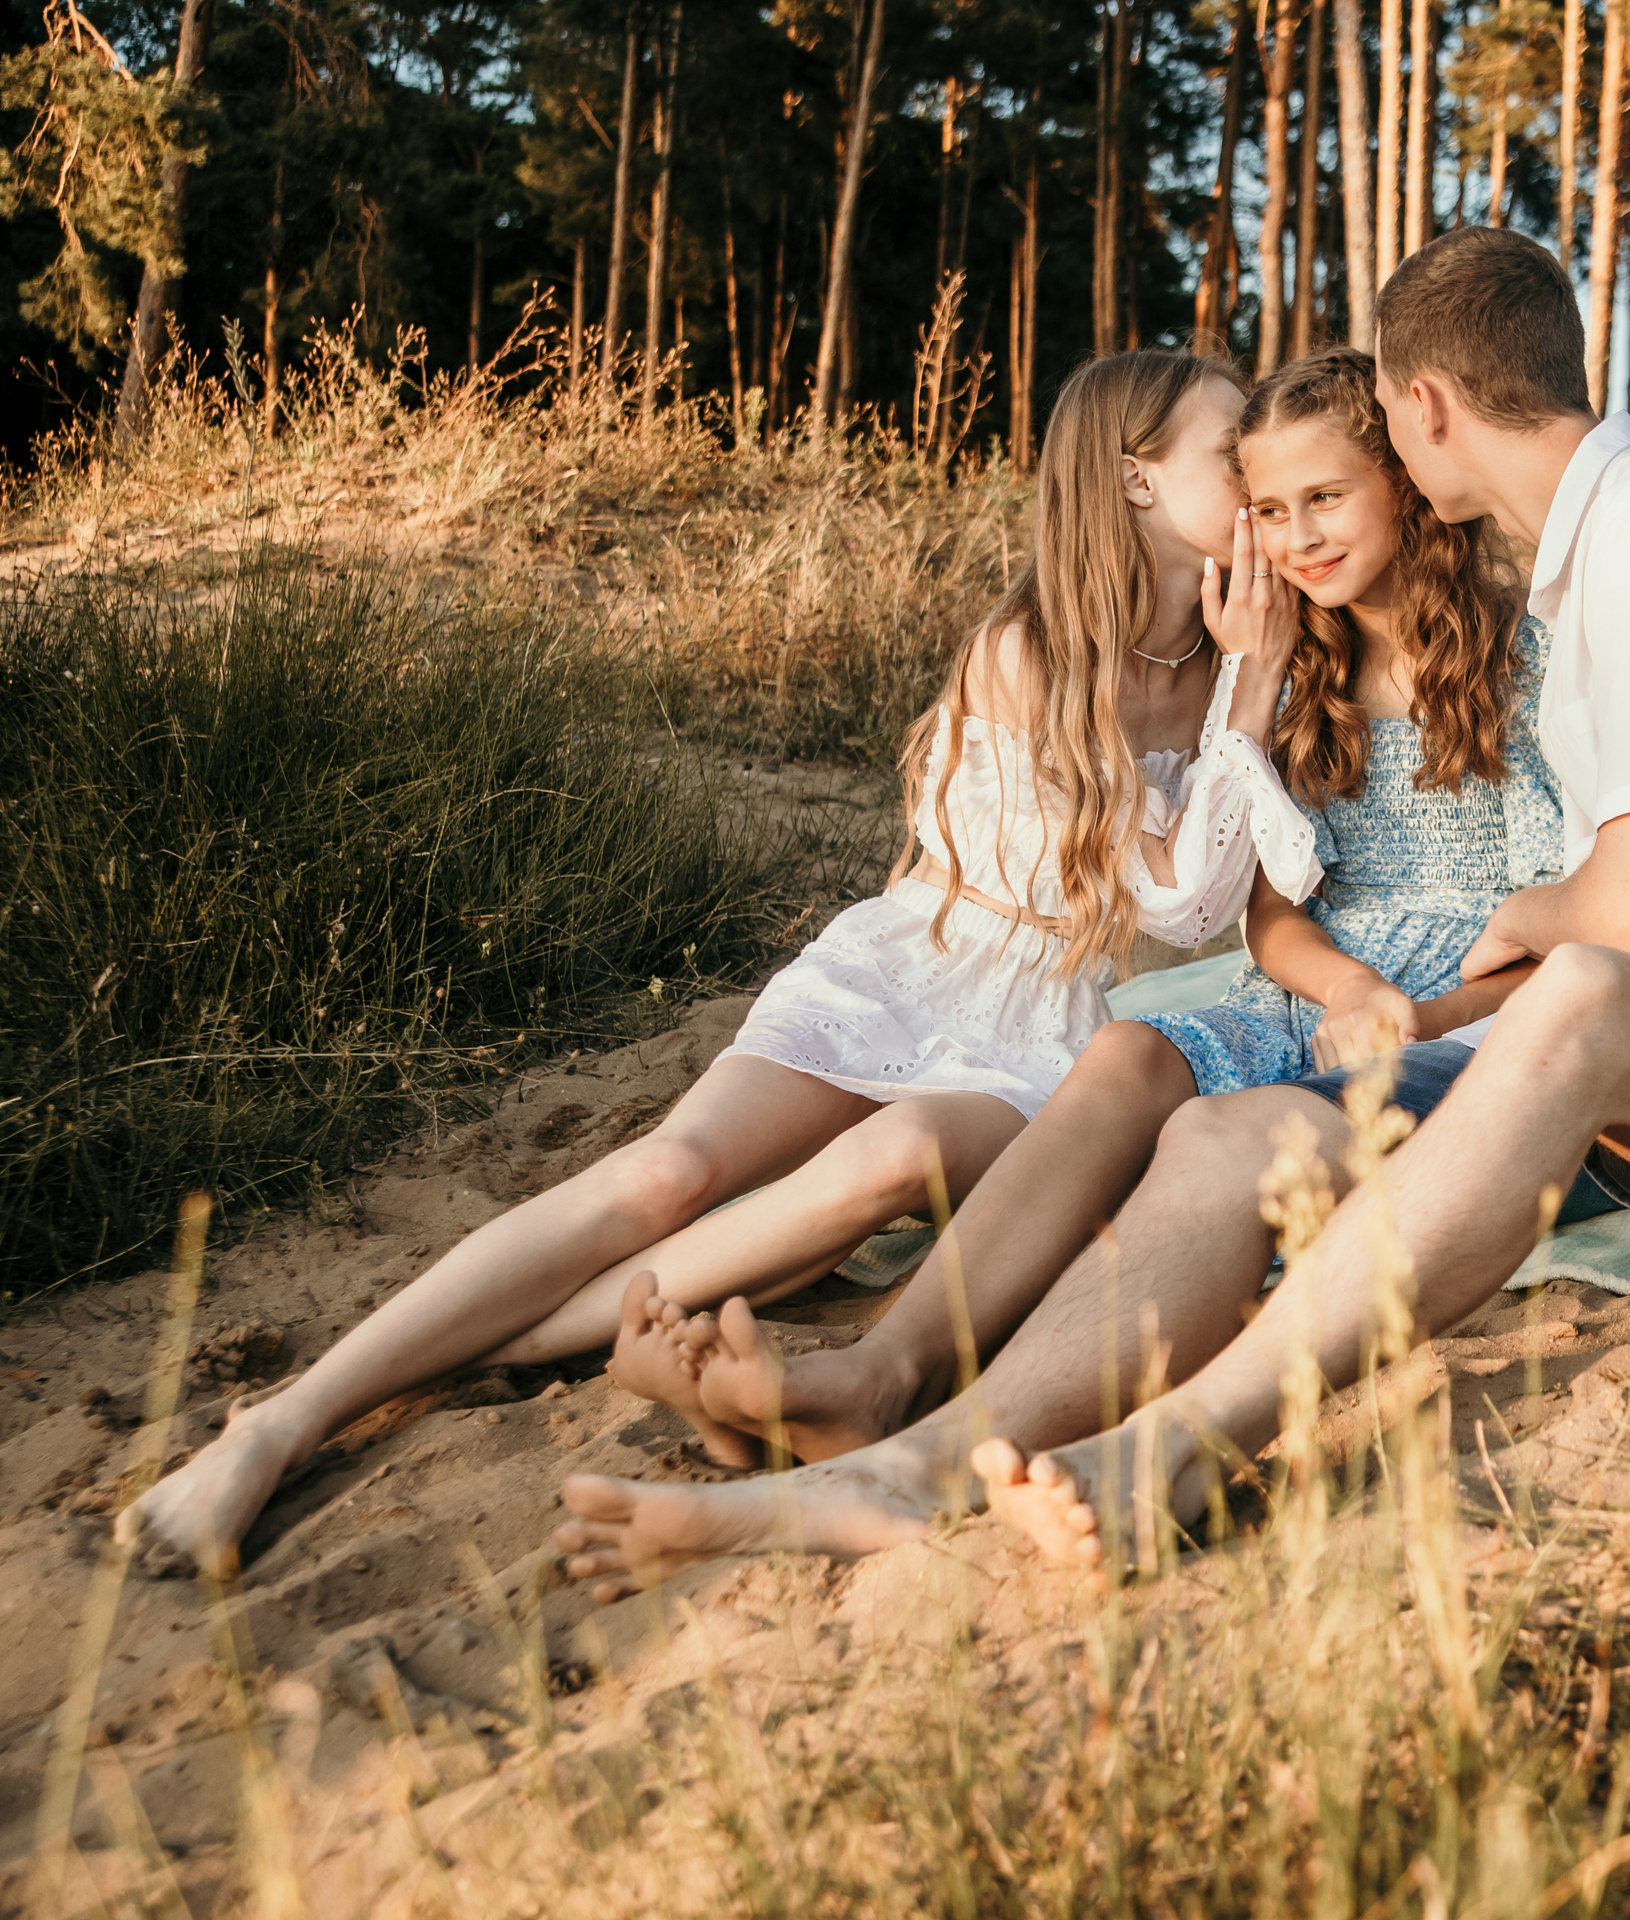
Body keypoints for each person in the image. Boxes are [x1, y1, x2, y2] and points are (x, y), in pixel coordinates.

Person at [551, 228, 1630, 1594]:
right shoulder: (1591, 551)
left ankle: (1168, 1449)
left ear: (1417, 411)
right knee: (1231, 1126)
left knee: (1586, 989)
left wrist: (1524, 925)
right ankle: (913, 1457)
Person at [119, 348, 1308, 1576]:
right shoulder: (1027, 651)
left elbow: (1182, 906)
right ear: (1134, 483)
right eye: (1232, 456)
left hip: (1039, 1033)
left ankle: (468, 1351)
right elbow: (1168, 880)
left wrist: (1252, 681)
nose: (1261, 480)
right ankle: (282, 1421)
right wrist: (1248, 698)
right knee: (663, 1178)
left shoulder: (1236, 662)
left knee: (889, 1158)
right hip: (912, 958)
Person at [612, 345, 1556, 1471]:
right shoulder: (1297, 671)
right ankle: (882, 1367)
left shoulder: (1521, 664)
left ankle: (916, 1393)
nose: (1293, 536)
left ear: (1401, 485)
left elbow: (1552, 915)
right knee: (1124, 1051)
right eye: (1267, 507)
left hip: (1463, 1002)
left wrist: (1414, 1010)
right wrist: (1345, 983)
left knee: (1193, 1113)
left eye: (1323, 499)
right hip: (1310, 985)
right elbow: (1271, 916)